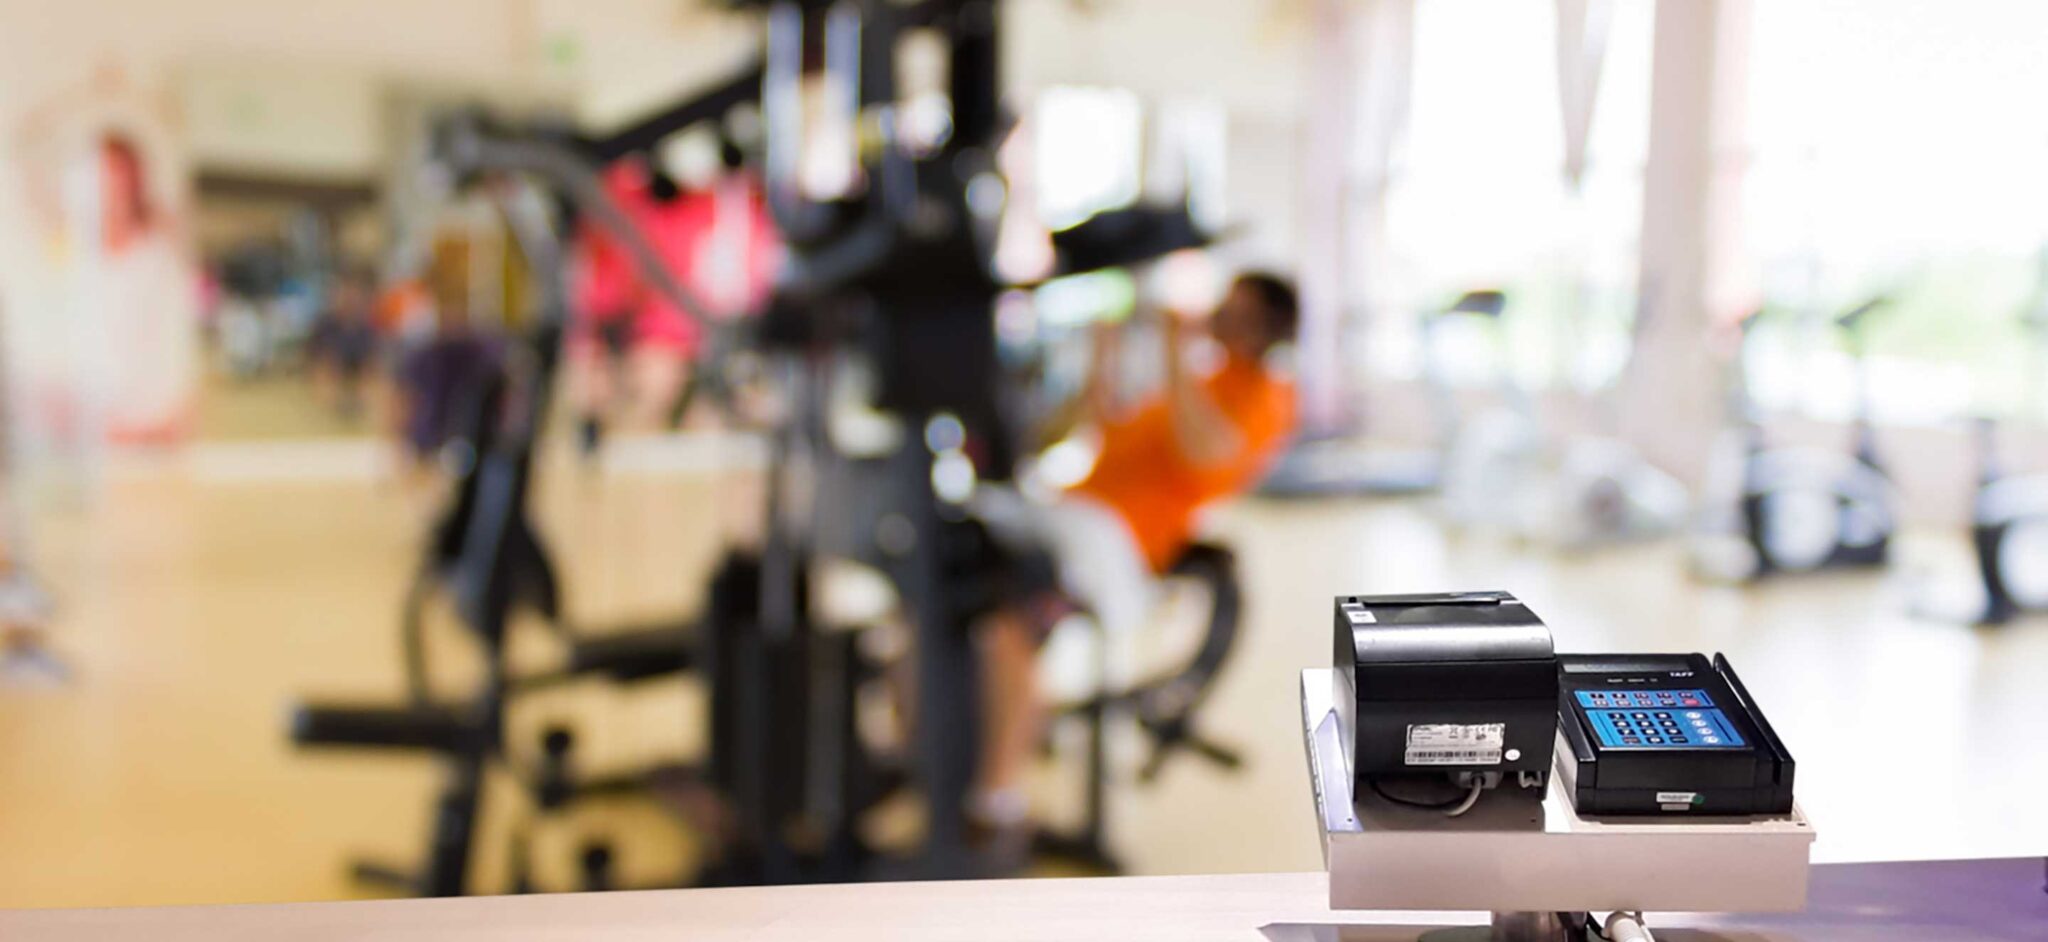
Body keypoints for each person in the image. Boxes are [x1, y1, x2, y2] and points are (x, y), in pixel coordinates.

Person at [972, 270, 1300, 839]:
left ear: (1265, 328)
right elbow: (1105, 429)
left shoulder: (1265, 397)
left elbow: (1206, 454)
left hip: (1116, 543)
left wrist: (1177, 347)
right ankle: (958, 766)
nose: (1219, 315)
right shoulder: (1202, 376)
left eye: (1235, 310)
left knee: (1009, 631)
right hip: (1071, 515)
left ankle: (994, 798)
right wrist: (1106, 353)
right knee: (962, 598)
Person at [306, 268, 381, 421]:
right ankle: (334, 402)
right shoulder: (325, 325)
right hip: (332, 372)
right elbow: (317, 361)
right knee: (328, 363)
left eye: (354, 293)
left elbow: (374, 362)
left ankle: (360, 401)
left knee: (370, 369)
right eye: (345, 292)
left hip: (360, 372)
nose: (349, 298)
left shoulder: (368, 325)